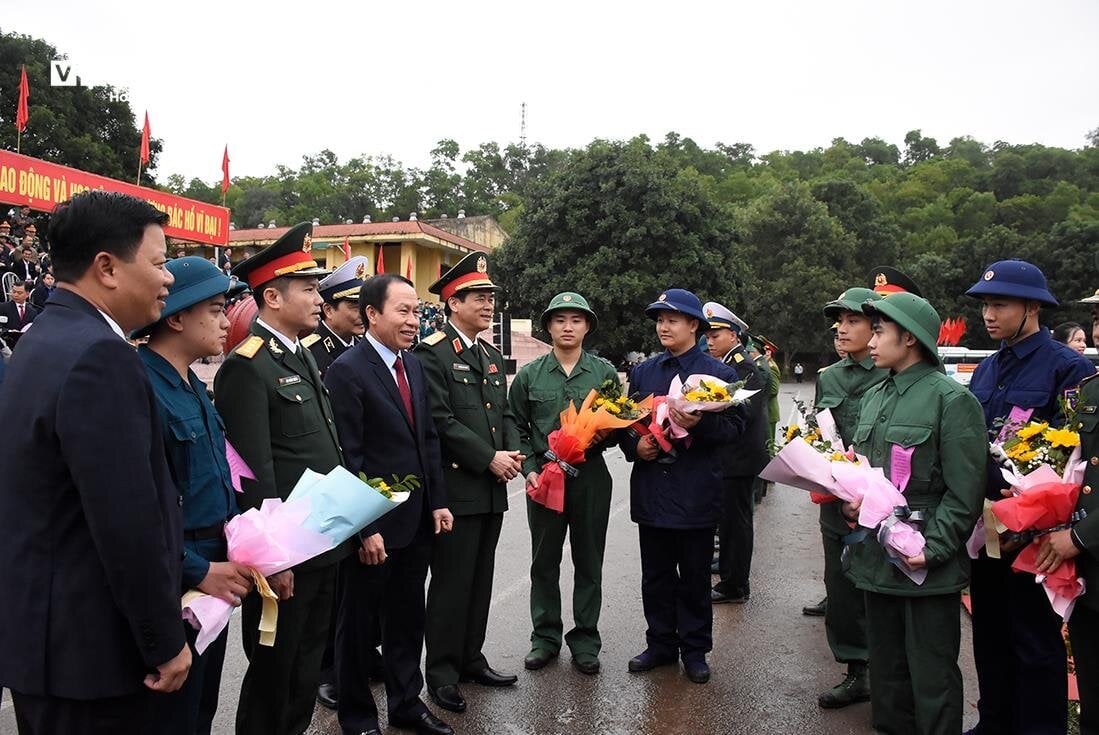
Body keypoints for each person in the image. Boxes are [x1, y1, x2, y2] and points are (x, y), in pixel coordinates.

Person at [0, 191, 191, 733]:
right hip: (90, 656)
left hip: (49, 644)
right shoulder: (98, 355)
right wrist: (163, 641)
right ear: (106, 267)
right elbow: (125, 520)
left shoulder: (46, 337)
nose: (169, 279)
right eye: (158, 263)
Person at [213, 222, 351, 735]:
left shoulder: (300, 354)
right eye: (309, 288)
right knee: (275, 671)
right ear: (271, 296)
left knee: (305, 667)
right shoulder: (248, 366)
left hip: (321, 542)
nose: (320, 298)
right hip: (285, 553)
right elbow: (251, 473)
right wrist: (272, 559)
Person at [843, 292, 987, 735]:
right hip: (877, 562)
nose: (871, 339)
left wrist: (935, 547)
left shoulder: (950, 400)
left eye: (880, 330)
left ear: (909, 338)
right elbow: (869, 476)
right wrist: (854, 504)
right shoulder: (873, 396)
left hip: (926, 568)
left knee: (932, 680)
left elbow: (966, 491)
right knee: (887, 678)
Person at [964, 259, 1094, 735]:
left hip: (1039, 537)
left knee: (1035, 644)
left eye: (1000, 304)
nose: (989, 314)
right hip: (989, 528)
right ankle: (993, 722)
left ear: (1033, 307)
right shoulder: (986, 370)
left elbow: (1080, 459)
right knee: (990, 634)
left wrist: (1058, 527)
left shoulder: (1070, 368)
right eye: (985, 305)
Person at [325, 273, 455, 735]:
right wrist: (363, 527)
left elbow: (428, 439)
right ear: (371, 315)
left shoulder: (413, 365)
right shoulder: (346, 371)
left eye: (416, 310)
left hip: (416, 520)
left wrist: (437, 501)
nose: (412, 319)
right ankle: (357, 716)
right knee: (358, 628)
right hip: (374, 528)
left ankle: (406, 704)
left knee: (406, 619)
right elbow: (348, 456)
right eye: (402, 310)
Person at [132, 256, 253, 735]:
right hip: (179, 572)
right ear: (177, 316)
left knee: (201, 707)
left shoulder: (191, 386)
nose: (228, 322)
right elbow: (140, 512)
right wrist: (196, 568)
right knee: (172, 714)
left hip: (216, 567)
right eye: (217, 309)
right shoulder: (142, 385)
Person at [415, 251, 522, 714]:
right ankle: (440, 672)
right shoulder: (431, 352)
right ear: (451, 303)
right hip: (457, 488)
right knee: (452, 584)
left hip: (490, 489)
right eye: (478, 297)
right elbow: (440, 420)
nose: (488, 305)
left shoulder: (489, 354)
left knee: (480, 580)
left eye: (490, 297)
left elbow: (505, 413)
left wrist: (512, 451)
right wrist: (489, 457)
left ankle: (469, 658)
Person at [622, 288, 746, 685]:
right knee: (655, 575)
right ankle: (660, 643)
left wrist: (702, 423)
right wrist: (635, 447)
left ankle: (694, 650)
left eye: (672, 319)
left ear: (694, 325)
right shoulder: (643, 372)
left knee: (693, 577)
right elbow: (625, 421)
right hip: (652, 491)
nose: (663, 327)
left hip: (695, 493)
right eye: (659, 320)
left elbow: (735, 429)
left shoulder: (722, 375)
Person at [509, 292, 619, 675]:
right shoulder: (529, 375)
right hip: (545, 478)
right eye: (559, 320)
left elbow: (621, 423)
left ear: (587, 326)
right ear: (549, 327)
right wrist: (530, 470)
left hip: (590, 478)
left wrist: (606, 434)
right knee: (544, 561)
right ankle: (545, 638)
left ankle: (586, 640)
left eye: (575, 320)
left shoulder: (604, 374)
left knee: (589, 560)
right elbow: (516, 427)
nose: (567, 327)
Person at [811, 285, 886, 709]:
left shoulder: (892, 371)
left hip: (887, 503)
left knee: (881, 588)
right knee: (839, 588)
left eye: (851, 320)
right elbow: (824, 439)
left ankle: (888, 674)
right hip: (839, 504)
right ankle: (857, 671)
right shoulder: (829, 377)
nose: (841, 329)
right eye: (838, 321)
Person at [1035, 370, 1098, 735]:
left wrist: (1079, 536)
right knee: (1093, 695)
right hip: (1088, 572)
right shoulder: (1090, 388)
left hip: (1084, 543)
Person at [703, 301, 769, 605]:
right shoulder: (729, 364)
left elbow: (743, 412)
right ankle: (728, 568)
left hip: (739, 458)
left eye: (716, 335)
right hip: (728, 458)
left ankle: (736, 584)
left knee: (737, 522)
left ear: (734, 335)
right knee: (727, 519)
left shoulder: (745, 368)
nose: (709, 340)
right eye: (708, 335)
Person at [305, 255, 367, 377]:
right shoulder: (308, 352)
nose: (363, 314)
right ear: (328, 310)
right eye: (355, 307)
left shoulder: (365, 347)